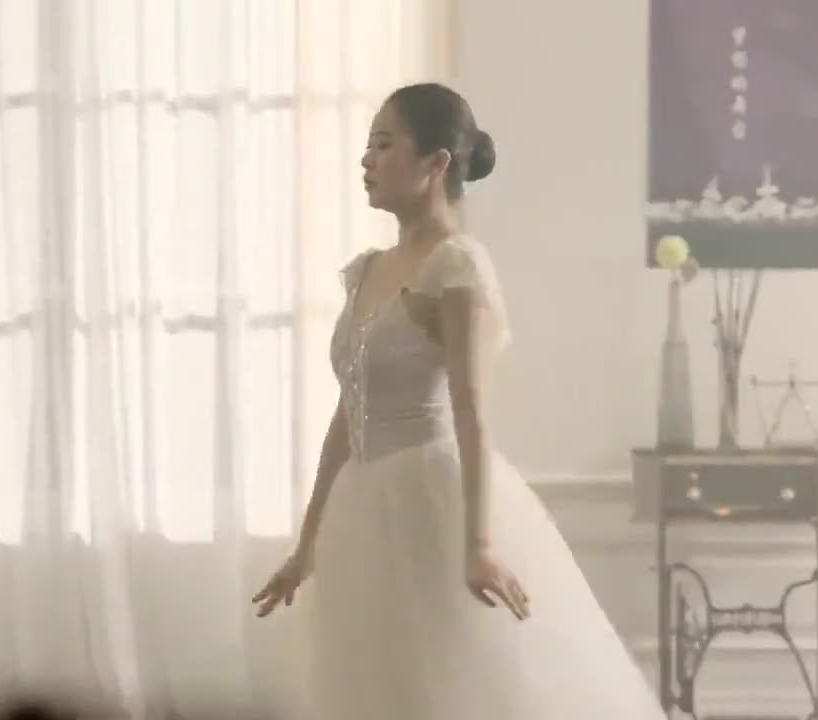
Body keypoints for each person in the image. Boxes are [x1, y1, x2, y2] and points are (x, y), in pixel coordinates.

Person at [251, 82, 664, 719]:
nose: (366, 159)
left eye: (384, 144)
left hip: (431, 498)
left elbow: (470, 411)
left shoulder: (455, 267)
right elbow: (349, 412)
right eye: (368, 146)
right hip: (362, 508)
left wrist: (479, 545)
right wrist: (307, 544)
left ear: (436, 162)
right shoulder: (367, 270)